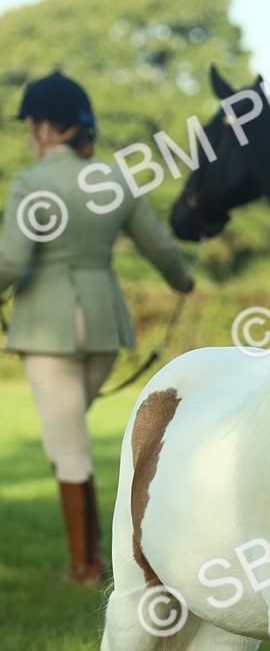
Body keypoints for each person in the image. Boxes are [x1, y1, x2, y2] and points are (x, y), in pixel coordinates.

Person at [0, 72, 194, 585]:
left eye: (29, 126)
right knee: (68, 438)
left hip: (47, 326)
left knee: (65, 444)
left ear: (44, 127)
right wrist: (185, 280)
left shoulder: (30, 183)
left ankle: (87, 566)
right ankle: (99, 555)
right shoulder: (116, 181)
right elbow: (161, 250)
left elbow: (12, 263)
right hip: (105, 326)